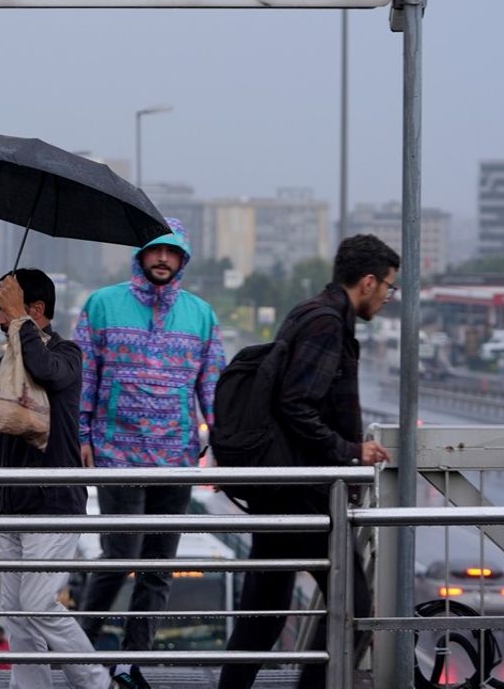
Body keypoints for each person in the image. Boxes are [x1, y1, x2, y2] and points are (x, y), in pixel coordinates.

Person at [218, 234, 397, 689]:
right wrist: (350, 451)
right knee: (351, 602)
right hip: (303, 492)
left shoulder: (312, 311)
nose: (388, 297)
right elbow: (296, 403)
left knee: (264, 613)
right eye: (388, 287)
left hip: (288, 487)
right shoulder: (326, 323)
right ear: (369, 281)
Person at [72, 218, 226, 688]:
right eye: (155, 251)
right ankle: (78, 650)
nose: (163, 259)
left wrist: (220, 443)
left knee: (158, 569)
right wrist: (81, 435)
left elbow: (213, 386)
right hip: (117, 454)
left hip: (177, 458)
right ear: (140, 256)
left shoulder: (201, 314)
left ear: (183, 259)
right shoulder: (102, 305)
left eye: (172, 252)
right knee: (119, 558)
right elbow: (86, 375)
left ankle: (129, 662)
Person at [0, 269, 107, 689]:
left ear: (37, 311)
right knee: (14, 611)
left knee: (38, 602)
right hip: (12, 506)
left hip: (54, 503)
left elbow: (46, 372)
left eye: (3, 309)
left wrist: (19, 321)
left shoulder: (68, 354)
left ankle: (97, 681)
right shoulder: (7, 359)